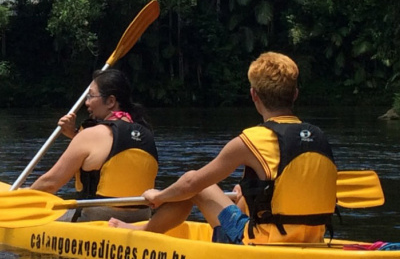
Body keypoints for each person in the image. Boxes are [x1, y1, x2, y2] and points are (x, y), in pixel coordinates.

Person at [109, 52, 337, 245]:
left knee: (194, 182)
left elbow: (192, 184)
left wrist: (159, 196)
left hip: (263, 242)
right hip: (312, 239)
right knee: (243, 195)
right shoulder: (319, 136)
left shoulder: (252, 139)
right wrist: (250, 194)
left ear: (254, 95)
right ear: (295, 94)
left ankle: (145, 232)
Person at [30, 68, 158, 223]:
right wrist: (74, 135)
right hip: (140, 219)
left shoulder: (90, 135)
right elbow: (109, 154)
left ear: (110, 101)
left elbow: (49, 184)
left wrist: (22, 197)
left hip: (95, 219)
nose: (87, 102)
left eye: (91, 96)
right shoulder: (146, 134)